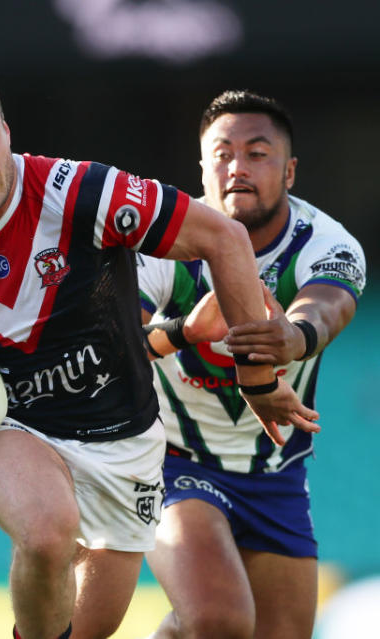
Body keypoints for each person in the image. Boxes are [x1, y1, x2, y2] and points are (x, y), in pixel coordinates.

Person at [0, 61, 319, 639]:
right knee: (46, 531)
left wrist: (256, 379)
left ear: (7, 131)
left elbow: (224, 237)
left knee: (93, 626)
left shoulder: (82, 191)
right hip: (13, 427)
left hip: (126, 441)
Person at [138, 91, 365, 638]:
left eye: (257, 153)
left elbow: (328, 306)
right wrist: (185, 332)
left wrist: (292, 337)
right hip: (173, 461)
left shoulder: (327, 241)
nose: (237, 167)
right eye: (222, 153)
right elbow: (117, 344)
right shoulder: (160, 243)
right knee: (220, 621)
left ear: (289, 171)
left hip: (276, 472)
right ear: (202, 167)